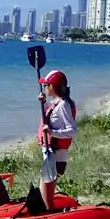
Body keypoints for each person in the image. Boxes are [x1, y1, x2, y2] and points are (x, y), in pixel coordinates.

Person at [38, 70, 77, 210]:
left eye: (46, 85)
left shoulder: (64, 105)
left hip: (56, 152)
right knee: (44, 185)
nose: (44, 87)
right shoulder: (56, 103)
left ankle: (49, 213)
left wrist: (52, 132)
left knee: (46, 188)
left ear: (52, 87)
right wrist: (44, 103)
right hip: (50, 151)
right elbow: (51, 116)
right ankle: (47, 209)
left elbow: (72, 130)